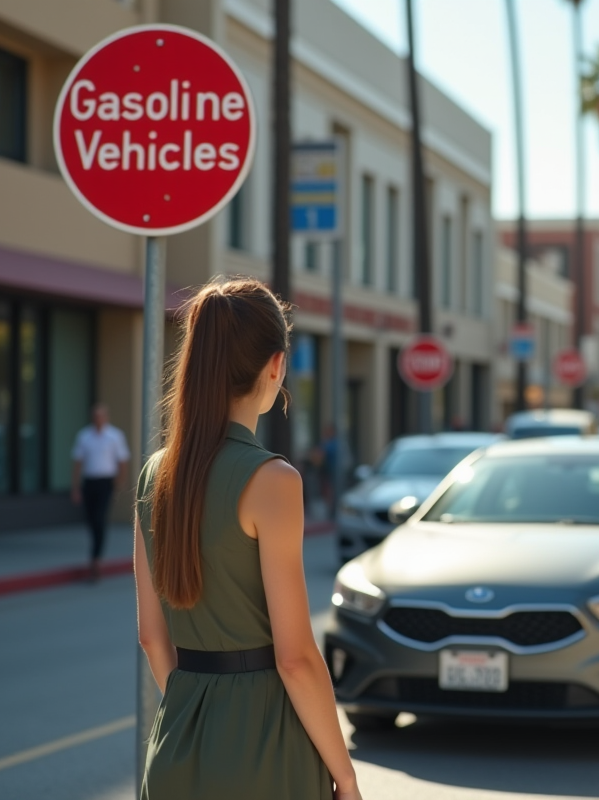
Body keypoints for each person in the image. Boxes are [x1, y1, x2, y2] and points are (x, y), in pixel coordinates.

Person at [134, 278, 361, 800]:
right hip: (268, 750)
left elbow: (151, 636)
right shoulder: (273, 480)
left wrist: (199, 710)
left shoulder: (155, 474)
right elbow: (295, 658)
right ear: (276, 365)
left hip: (177, 743)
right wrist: (346, 778)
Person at [70, 402, 130, 579]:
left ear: (106, 417)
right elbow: (78, 463)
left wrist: (118, 483)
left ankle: (96, 559)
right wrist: (75, 487)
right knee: (90, 519)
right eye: (95, 416)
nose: (98, 419)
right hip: (89, 481)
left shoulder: (115, 436)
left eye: (101, 416)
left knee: (99, 518)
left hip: (106, 482)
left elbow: (122, 461)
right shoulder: (84, 436)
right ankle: (95, 552)